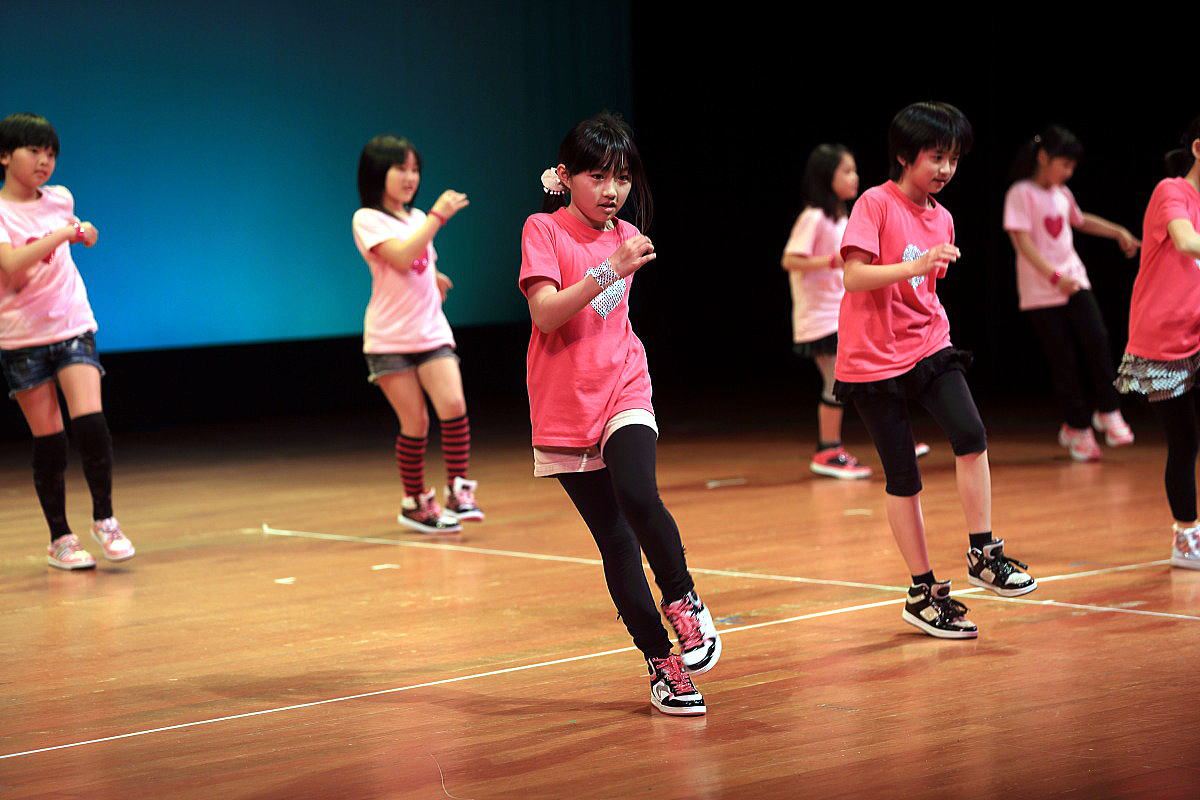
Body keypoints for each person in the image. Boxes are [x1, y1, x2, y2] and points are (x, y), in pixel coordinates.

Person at [519, 112, 719, 715]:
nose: (612, 190)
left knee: (638, 493)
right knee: (615, 541)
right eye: (598, 176)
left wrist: (618, 259)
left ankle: (683, 599)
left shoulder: (625, 232)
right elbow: (546, 314)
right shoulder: (543, 229)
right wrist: (611, 268)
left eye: (623, 177)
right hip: (563, 403)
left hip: (623, 385)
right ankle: (662, 664)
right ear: (566, 176)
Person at [835, 101, 1038, 639]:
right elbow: (854, 277)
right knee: (904, 475)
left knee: (971, 434)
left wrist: (922, 273)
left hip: (928, 344)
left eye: (954, 159)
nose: (946, 169)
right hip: (870, 358)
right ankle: (923, 593)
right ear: (906, 156)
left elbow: (921, 291)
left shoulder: (943, 216)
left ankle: (984, 553)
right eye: (936, 157)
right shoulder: (875, 203)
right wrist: (917, 264)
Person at [0, 112, 134, 570]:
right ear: (4, 156)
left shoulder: (60, 198)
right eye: (34, 151)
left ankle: (105, 520)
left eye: (51, 153)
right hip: (22, 337)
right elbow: (11, 263)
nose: (44, 161)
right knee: (50, 440)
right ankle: (60, 537)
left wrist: (84, 231)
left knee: (91, 421)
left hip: (71, 323)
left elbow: (74, 226)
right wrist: (63, 234)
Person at [352, 134, 480, 534]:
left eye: (415, 169)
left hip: (430, 331)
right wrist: (437, 217)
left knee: (453, 404)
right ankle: (415, 502)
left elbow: (419, 262)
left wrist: (435, 278)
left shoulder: (417, 217)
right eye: (400, 168)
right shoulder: (367, 219)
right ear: (378, 173)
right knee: (417, 423)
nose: (410, 177)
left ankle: (458, 490)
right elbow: (403, 255)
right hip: (389, 340)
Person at [1004, 125, 1140, 461]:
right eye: (1064, 164)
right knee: (1063, 359)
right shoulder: (1021, 193)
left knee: (1098, 340)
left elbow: (1080, 220)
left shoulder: (1062, 193)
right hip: (1041, 290)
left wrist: (1118, 232)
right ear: (1043, 158)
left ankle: (1108, 410)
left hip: (1074, 280)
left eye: (1072, 166)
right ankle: (1077, 427)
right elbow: (1022, 243)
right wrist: (1054, 276)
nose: (1068, 172)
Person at [1115, 116, 1200, 570]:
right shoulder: (1172, 190)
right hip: (1162, 338)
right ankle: (1186, 538)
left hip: (1198, 330)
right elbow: (1185, 241)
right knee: (1184, 441)